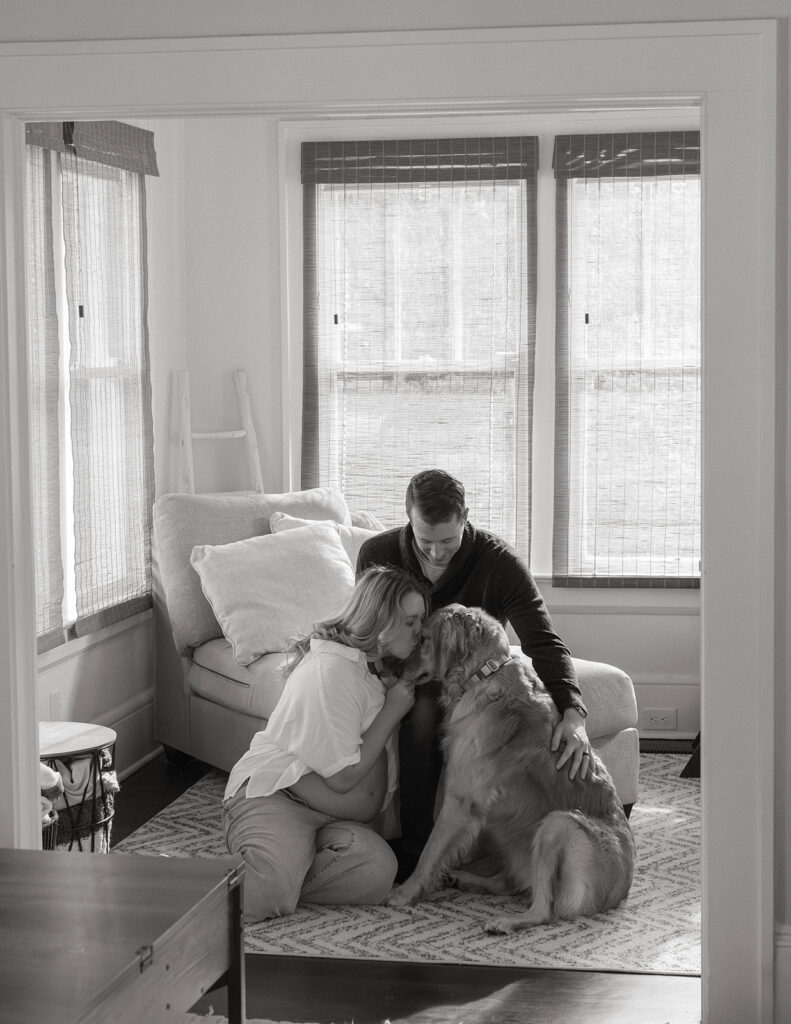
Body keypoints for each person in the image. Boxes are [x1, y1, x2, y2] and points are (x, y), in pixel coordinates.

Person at [356, 468, 592, 875]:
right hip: (403, 672)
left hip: (473, 683)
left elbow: (542, 640)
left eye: (448, 540)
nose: (436, 553)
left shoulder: (498, 562)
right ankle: (414, 851)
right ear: (408, 518)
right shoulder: (378, 553)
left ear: (465, 517)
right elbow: (365, 625)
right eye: (425, 541)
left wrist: (573, 711)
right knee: (422, 708)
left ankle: (532, 846)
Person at [222, 565, 428, 921]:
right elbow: (343, 777)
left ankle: (282, 870)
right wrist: (392, 711)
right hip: (280, 798)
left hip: (331, 817)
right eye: (410, 622)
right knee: (264, 897)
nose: (420, 631)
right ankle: (257, 877)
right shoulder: (332, 670)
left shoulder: (374, 666)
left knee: (379, 870)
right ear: (381, 621)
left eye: (421, 620)